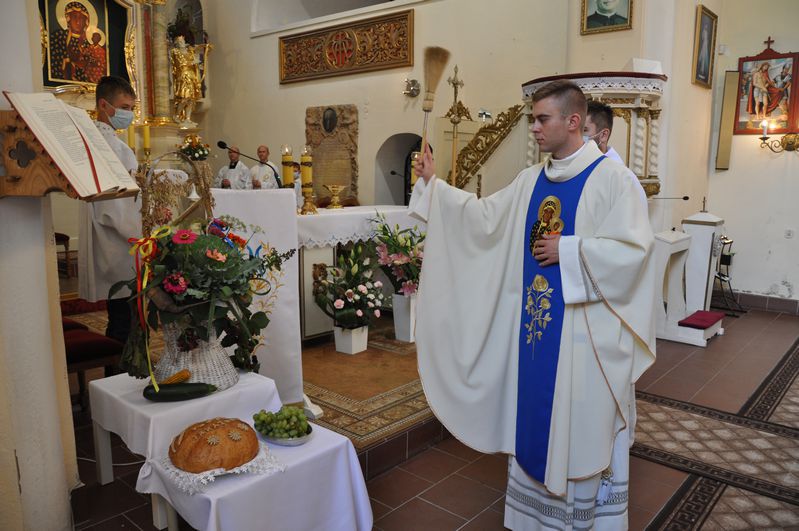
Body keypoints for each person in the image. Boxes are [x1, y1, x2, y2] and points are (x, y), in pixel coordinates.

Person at [410, 79, 656, 530]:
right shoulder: (530, 180)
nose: (535, 128)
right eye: (533, 119)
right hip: (536, 337)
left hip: (585, 345)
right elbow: (484, 219)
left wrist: (570, 250)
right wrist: (434, 185)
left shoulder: (613, 180)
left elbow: (635, 253)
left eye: (543, 119)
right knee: (536, 423)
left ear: (573, 121)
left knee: (579, 432)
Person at [78, 76, 140, 343]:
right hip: (118, 237)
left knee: (122, 314)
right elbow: (113, 202)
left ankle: (120, 364)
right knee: (123, 317)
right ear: (104, 105)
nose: (129, 115)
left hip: (117, 235)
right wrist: (143, 232)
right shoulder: (106, 147)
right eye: (124, 107)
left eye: (132, 109)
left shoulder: (107, 143)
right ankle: (119, 366)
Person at [50, 1, 92, 82]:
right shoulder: (59, 36)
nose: (78, 22)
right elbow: (55, 62)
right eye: (74, 17)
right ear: (68, 19)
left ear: (86, 22)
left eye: (81, 18)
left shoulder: (87, 44)